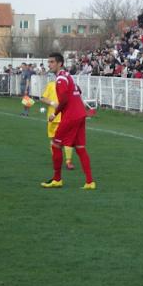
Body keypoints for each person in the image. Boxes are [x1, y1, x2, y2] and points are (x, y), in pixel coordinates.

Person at [41, 52, 95, 190]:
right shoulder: (67, 76)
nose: (49, 64)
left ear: (60, 63)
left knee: (55, 144)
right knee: (80, 148)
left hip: (71, 116)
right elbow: (79, 91)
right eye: (49, 62)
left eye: (52, 62)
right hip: (80, 114)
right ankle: (90, 182)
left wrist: (55, 113)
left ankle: (57, 179)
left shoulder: (60, 79)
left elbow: (64, 99)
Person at [40, 78, 75, 171]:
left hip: (65, 117)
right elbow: (43, 98)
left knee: (68, 139)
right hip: (53, 117)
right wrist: (52, 103)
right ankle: (57, 160)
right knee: (54, 140)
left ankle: (68, 161)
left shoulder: (68, 86)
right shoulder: (51, 84)